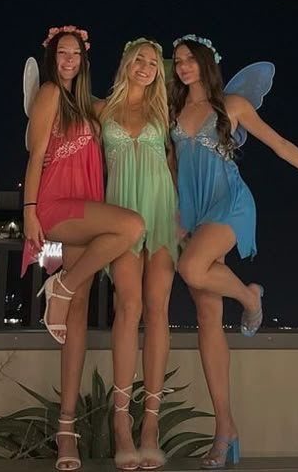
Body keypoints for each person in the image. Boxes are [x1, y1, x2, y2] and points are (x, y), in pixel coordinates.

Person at [169, 34, 298, 469]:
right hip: (191, 213)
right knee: (207, 319)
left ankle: (250, 296)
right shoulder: (173, 112)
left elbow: (280, 145)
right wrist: (176, 217)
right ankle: (224, 430)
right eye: (176, 61)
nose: (183, 66)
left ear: (207, 63)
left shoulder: (231, 105)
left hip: (229, 205)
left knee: (192, 268)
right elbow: (173, 165)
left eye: (190, 59)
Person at [22, 25, 145, 472]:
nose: (70, 59)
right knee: (130, 227)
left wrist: (147, 73)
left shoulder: (88, 106)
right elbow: (35, 156)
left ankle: (66, 430)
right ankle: (63, 286)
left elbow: (124, 109)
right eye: (63, 53)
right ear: (53, 57)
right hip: (56, 205)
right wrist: (30, 210)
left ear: (84, 59)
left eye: (76, 54)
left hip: (85, 205)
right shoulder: (51, 93)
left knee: (77, 317)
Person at [95, 38, 179, 471]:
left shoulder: (164, 113)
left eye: (152, 63)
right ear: (126, 63)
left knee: (158, 309)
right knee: (126, 307)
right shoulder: (101, 110)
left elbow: (176, 162)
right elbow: (60, 105)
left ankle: (151, 424)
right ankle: (122, 423)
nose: (146, 66)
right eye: (139, 59)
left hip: (162, 213)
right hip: (122, 213)